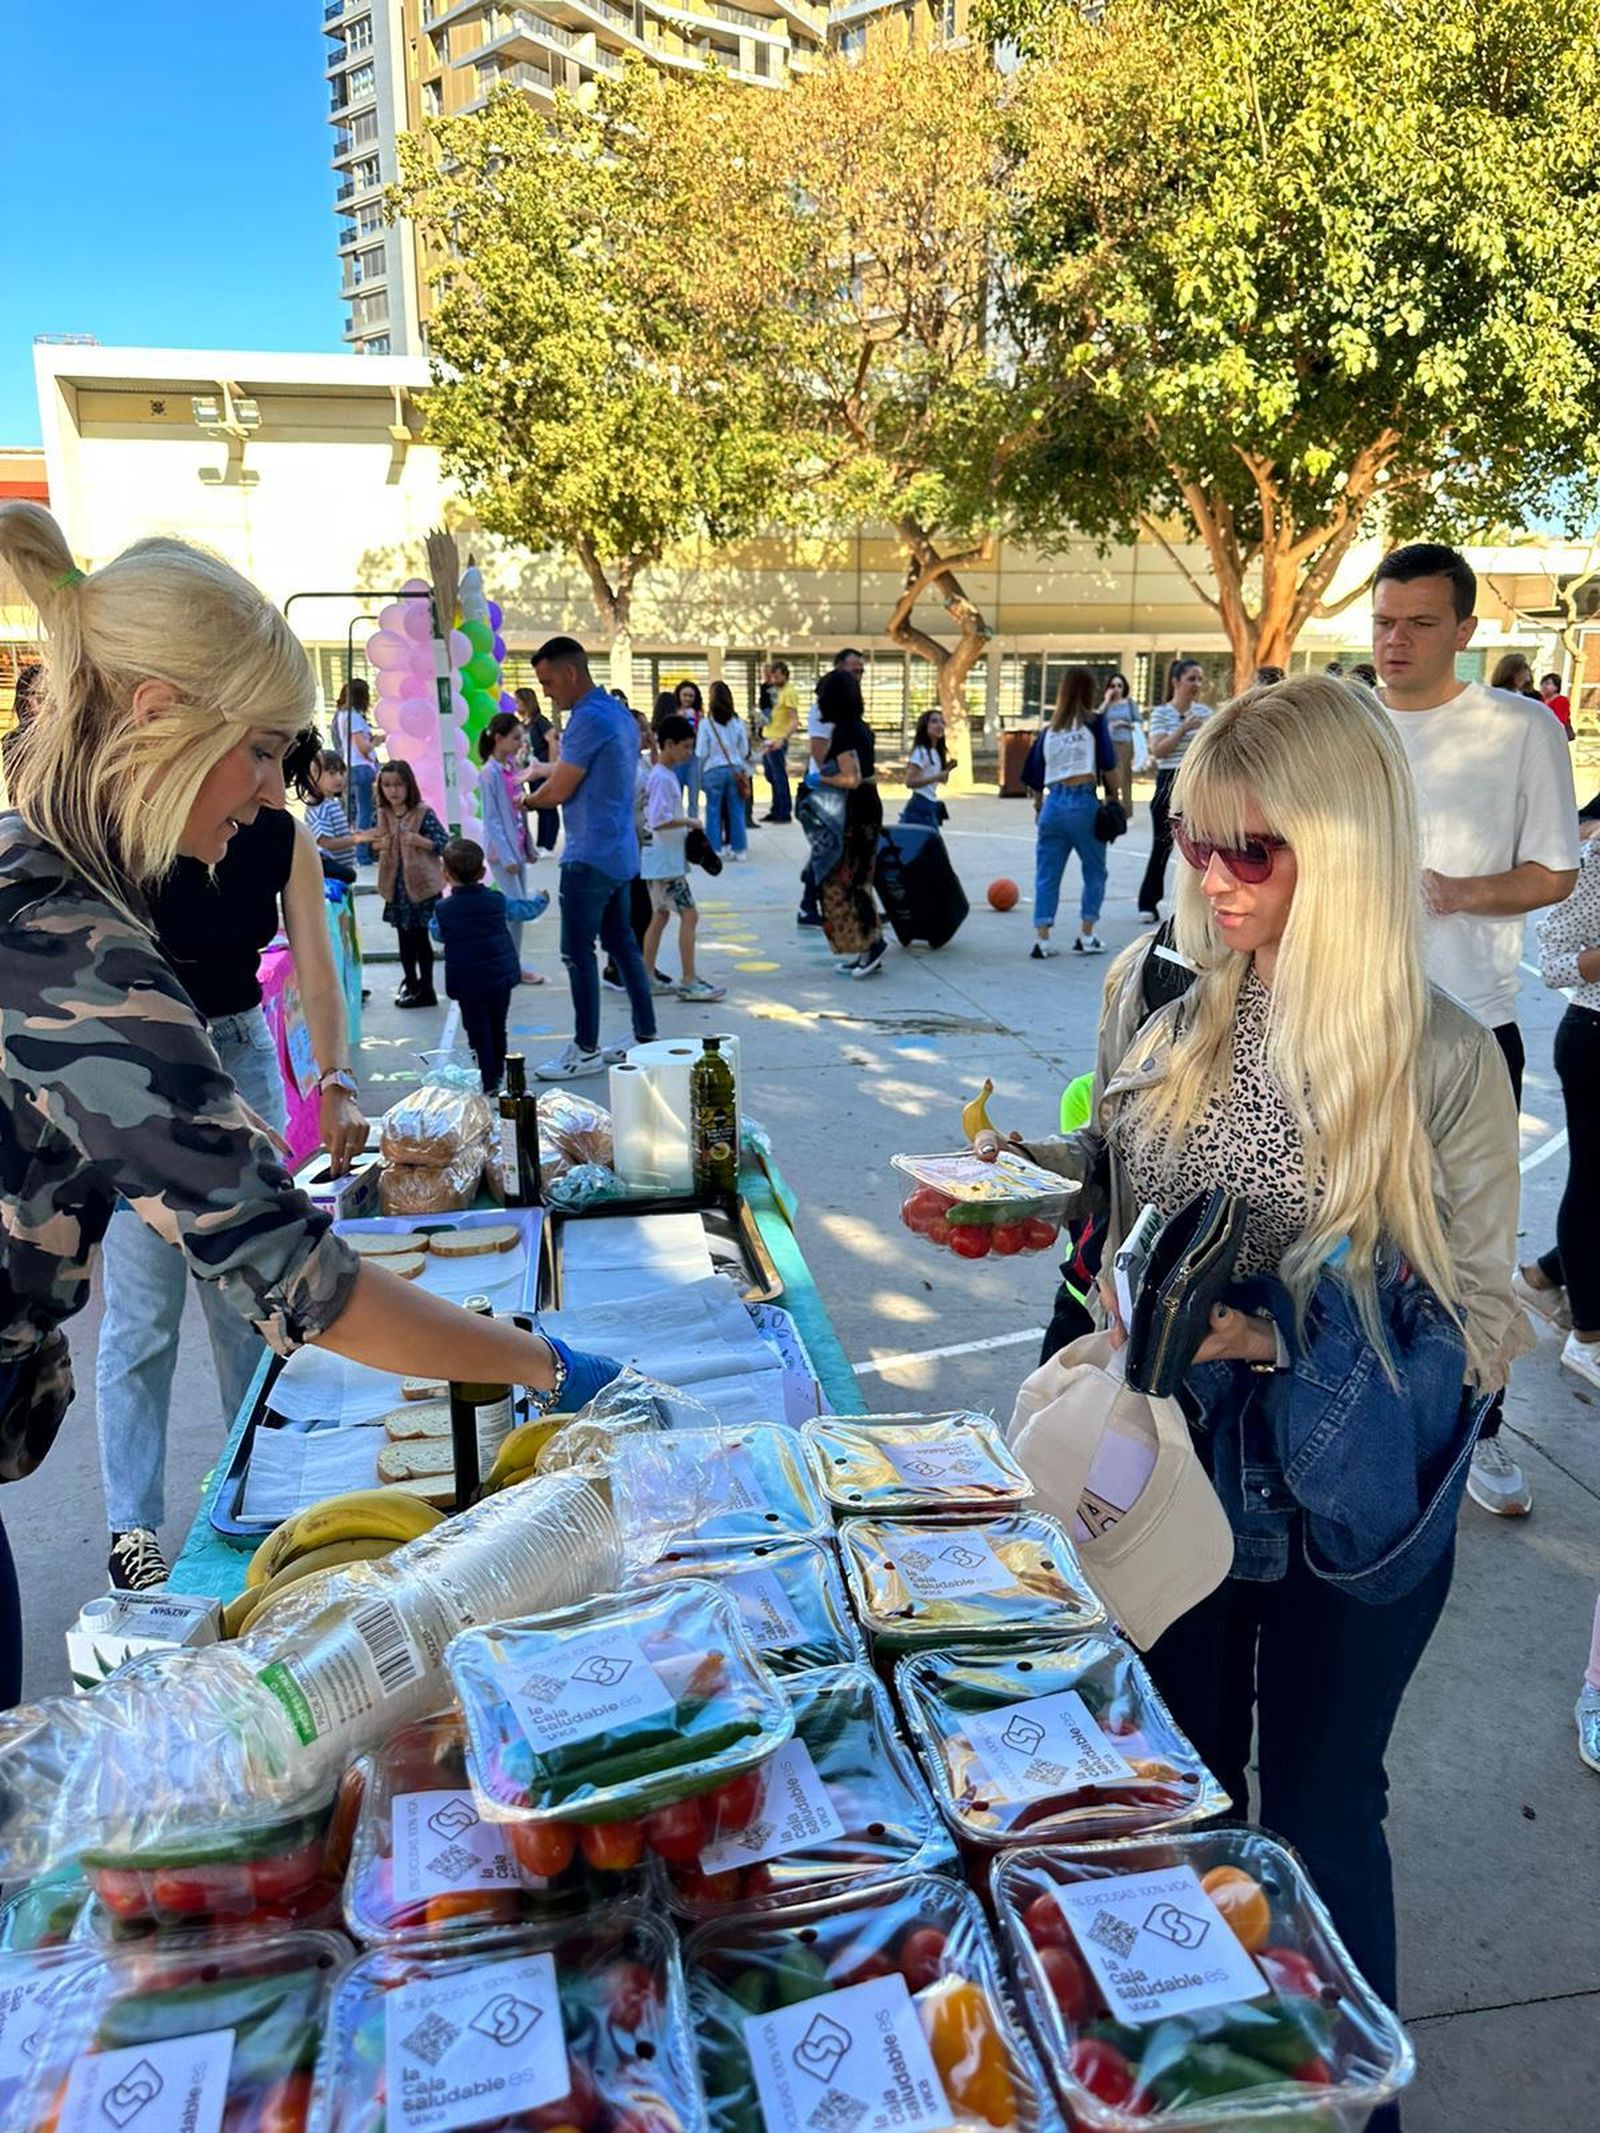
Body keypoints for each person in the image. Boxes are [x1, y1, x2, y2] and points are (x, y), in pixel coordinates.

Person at [980, 678, 1522, 2125]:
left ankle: (1355, 2107)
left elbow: (1482, 1332)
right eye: (1194, 841)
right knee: (1182, 1799)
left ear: (1339, 847)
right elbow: (1118, 1186)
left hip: (1353, 1513)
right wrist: (1036, 1187)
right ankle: (1208, 2088)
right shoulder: (1153, 991)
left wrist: (1280, 1337)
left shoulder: (1442, 1058)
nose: (1213, 877)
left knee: (1327, 1814)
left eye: (1254, 851)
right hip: (1171, 1479)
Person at [0, 503, 619, 1699]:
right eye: (267, 751)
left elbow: (186, 1196)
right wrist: (541, 1362)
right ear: (157, 716)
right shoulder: (70, 947)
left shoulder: (41, 879)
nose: (276, 791)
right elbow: (300, 1281)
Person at [94, 736, 369, 1591]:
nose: (263, 779)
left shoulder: (278, 833)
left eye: (276, 755)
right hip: (138, 1065)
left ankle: (251, 1492)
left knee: (249, 1299)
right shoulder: (124, 818)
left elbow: (315, 965)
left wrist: (336, 1076)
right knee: (143, 1310)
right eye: (254, 750)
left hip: (241, 1051)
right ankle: (131, 1529)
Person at [1372, 541, 1579, 1516]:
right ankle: (1352, 1432)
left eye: (1418, 622)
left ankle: (1476, 1441)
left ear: (1462, 630)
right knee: (1341, 1249)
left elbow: (1555, 872)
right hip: (1343, 1033)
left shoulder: (1518, 728)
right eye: (1382, 621)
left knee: (1470, 1256)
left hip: (1469, 1035)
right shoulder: (1341, 723)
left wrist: (1460, 892)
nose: (1395, 639)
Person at [524, 637, 659, 1080]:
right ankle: (645, 1036)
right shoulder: (617, 713)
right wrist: (546, 775)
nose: (546, 692)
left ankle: (585, 1047)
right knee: (622, 946)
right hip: (619, 851)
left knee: (577, 953)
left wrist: (525, 802)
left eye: (547, 682)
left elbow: (560, 790)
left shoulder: (585, 720)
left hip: (589, 856)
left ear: (570, 673)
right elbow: (579, 773)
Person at [1515, 823, 1600, 1390]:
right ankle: (1588, 1334)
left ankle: (1545, 1274)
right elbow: (1554, 961)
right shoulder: (1597, 858)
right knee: (1594, 1184)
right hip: (1595, 1036)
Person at [1027, 667, 1116, 959]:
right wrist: (1115, 799)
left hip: (1053, 804)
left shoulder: (1049, 731)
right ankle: (1086, 934)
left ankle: (1042, 938)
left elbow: (1035, 774)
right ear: (1089, 690)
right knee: (1094, 871)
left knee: (1047, 874)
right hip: (1083, 804)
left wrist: (1039, 807)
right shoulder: (1094, 724)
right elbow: (1108, 764)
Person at [432, 837, 532, 1096]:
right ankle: (500, 1072)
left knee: (477, 1030)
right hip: (500, 975)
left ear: (445, 874)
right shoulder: (497, 900)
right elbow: (524, 911)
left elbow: (438, 934)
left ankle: (487, 1080)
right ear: (482, 872)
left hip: (467, 980)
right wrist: (541, 900)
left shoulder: (443, 909)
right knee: (498, 1025)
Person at [642, 715, 725, 1004]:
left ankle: (647, 975)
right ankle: (688, 979)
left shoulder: (662, 775)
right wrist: (689, 822)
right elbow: (659, 819)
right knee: (689, 915)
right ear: (669, 744)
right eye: (686, 747)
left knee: (660, 916)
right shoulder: (663, 778)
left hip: (662, 861)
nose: (689, 753)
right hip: (666, 864)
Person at [812, 667, 887, 980]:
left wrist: (820, 778)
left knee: (853, 881)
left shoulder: (844, 731)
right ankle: (865, 949)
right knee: (858, 879)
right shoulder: (860, 727)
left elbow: (851, 778)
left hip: (856, 811)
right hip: (867, 806)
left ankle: (873, 944)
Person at [370, 758, 450, 1009]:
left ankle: (426, 988)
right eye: (387, 785)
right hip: (396, 888)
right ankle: (411, 982)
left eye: (398, 785)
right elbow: (372, 848)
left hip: (422, 888)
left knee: (421, 939)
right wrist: (377, 846)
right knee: (404, 940)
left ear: (409, 786)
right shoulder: (381, 814)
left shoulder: (422, 813)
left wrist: (418, 841)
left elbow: (443, 843)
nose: (393, 791)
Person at [1136, 658, 1212, 921]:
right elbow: (1158, 749)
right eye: (1191, 678)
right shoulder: (1162, 713)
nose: (1197, 684)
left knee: (1200, 848)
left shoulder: (1205, 714)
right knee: (1162, 845)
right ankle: (1148, 902)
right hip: (1168, 780)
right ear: (1176, 681)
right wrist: (1183, 729)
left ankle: (1199, 907)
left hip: (1196, 782)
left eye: (1200, 679)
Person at [475, 711, 544, 986]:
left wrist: (528, 846)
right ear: (499, 738)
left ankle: (510, 962)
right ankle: (508, 964)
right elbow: (492, 818)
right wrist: (506, 855)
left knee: (516, 910)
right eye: (515, 738)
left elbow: (519, 811)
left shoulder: (511, 767)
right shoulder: (489, 773)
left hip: (515, 849)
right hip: (501, 852)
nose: (519, 743)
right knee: (516, 909)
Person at [799, 649, 866, 928]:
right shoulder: (824, 707)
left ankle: (856, 905)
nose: (858, 675)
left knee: (835, 850)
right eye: (853, 670)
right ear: (838, 670)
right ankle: (808, 906)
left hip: (837, 789)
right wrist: (832, 779)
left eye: (861, 670)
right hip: (825, 793)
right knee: (829, 849)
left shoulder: (846, 706)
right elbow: (819, 751)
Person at [696, 680, 752, 861]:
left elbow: (701, 751)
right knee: (736, 810)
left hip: (713, 769)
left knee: (713, 811)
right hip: (734, 768)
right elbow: (744, 751)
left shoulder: (706, 724)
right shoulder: (738, 723)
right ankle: (739, 849)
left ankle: (716, 849)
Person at [295, 748, 366, 883]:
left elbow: (334, 835)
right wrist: (357, 839)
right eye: (332, 773)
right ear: (314, 776)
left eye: (341, 772)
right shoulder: (319, 807)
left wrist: (349, 835)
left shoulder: (331, 804)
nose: (339, 778)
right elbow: (326, 843)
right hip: (331, 878)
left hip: (340, 874)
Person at [515, 685, 561, 854]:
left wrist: (551, 764)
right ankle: (539, 842)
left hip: (540, 768)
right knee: (535, 803)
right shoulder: (523, 724)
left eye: (518, 701)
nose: (515, 705)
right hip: (528, 771)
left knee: (546, 804)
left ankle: (547, 843)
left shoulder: (540, 722)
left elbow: (553, 740)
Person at [334, 677, 379, 844]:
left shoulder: (342, 715)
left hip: (350, 765)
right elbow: (363, 747)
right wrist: (376, 742)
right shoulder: (355, 718)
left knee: (351, 810)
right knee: (365, 811)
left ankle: (352, 846)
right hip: (361, 766)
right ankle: (362, 852)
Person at [901, 709, 953, 829]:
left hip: (931, 803)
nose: (939, 725)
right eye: (934, 721)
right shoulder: (920, 752)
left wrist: (946, 771)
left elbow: (939, 780)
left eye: (942, 722)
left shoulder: (936, 752)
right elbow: (910, 782)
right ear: (925, 726)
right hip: (920, 805)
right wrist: (936, 777)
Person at [762, 659, 798, 822]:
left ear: (785, 675)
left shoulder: (789, 692)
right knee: (770, 775)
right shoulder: (778, 692)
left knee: (778, 776)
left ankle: (784, 812)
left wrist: (783, 739)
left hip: (777, 739)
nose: (774, 680)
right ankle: (775, 808)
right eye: (773, 677)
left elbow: (794, 720)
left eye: (777, 677)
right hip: (769, 736)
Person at [1100, 674, 1138, 815]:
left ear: (1124, 688)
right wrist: (1106, 700)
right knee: (1109, 776)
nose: (1116, 689)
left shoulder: (1129, 704)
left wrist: (1122, 724)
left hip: (1124, 743)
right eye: (1113, 686)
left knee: (1124, 776)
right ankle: (1111, 808)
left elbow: (1137, 723)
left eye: (1119, 686)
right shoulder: (1107, 704)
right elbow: (1097, 717)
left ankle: (1127, 811)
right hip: (1109, 743)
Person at [0, 661, 41, 790]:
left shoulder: (70, 736)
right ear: (26, 699)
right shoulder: (14, 740)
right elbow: (16, 790)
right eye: (38, 694)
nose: (45, 699)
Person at [673, 678, 704, 812]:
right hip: (677, 758)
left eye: (691, 696)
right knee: (676, 794)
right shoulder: (674, 713)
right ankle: (678, 823)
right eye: (685, 695)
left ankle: (693, 826)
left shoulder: (699, 715)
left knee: (693, 795)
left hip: (693, 757)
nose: (687, 699)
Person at [1539, 670, 1574, 738]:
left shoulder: (1561, 700)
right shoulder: (1541, 700)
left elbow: (1560, 720)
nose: (1543, 686)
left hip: (1556, 735)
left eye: (1547, 683)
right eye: (1542, 684)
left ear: (1556, 687)